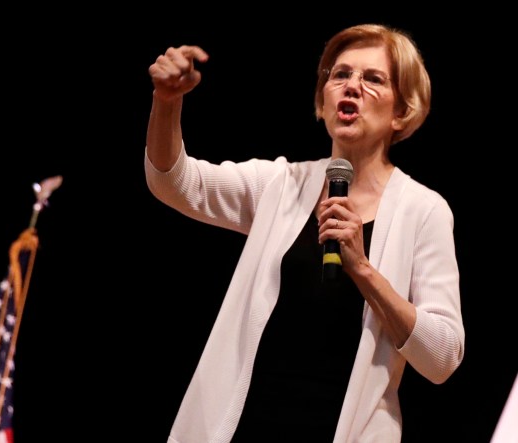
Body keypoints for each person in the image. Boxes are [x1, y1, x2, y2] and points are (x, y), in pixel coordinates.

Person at [144, 24, 465, 442]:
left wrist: (363, 269)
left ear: (402, 111)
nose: (352, 87)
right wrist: (167, 103)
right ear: (324, 97)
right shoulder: (281, 184)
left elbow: (442, 357)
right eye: (340, 75)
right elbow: (176, 184)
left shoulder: (424, 211)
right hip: (248, 426)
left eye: (372, 79)